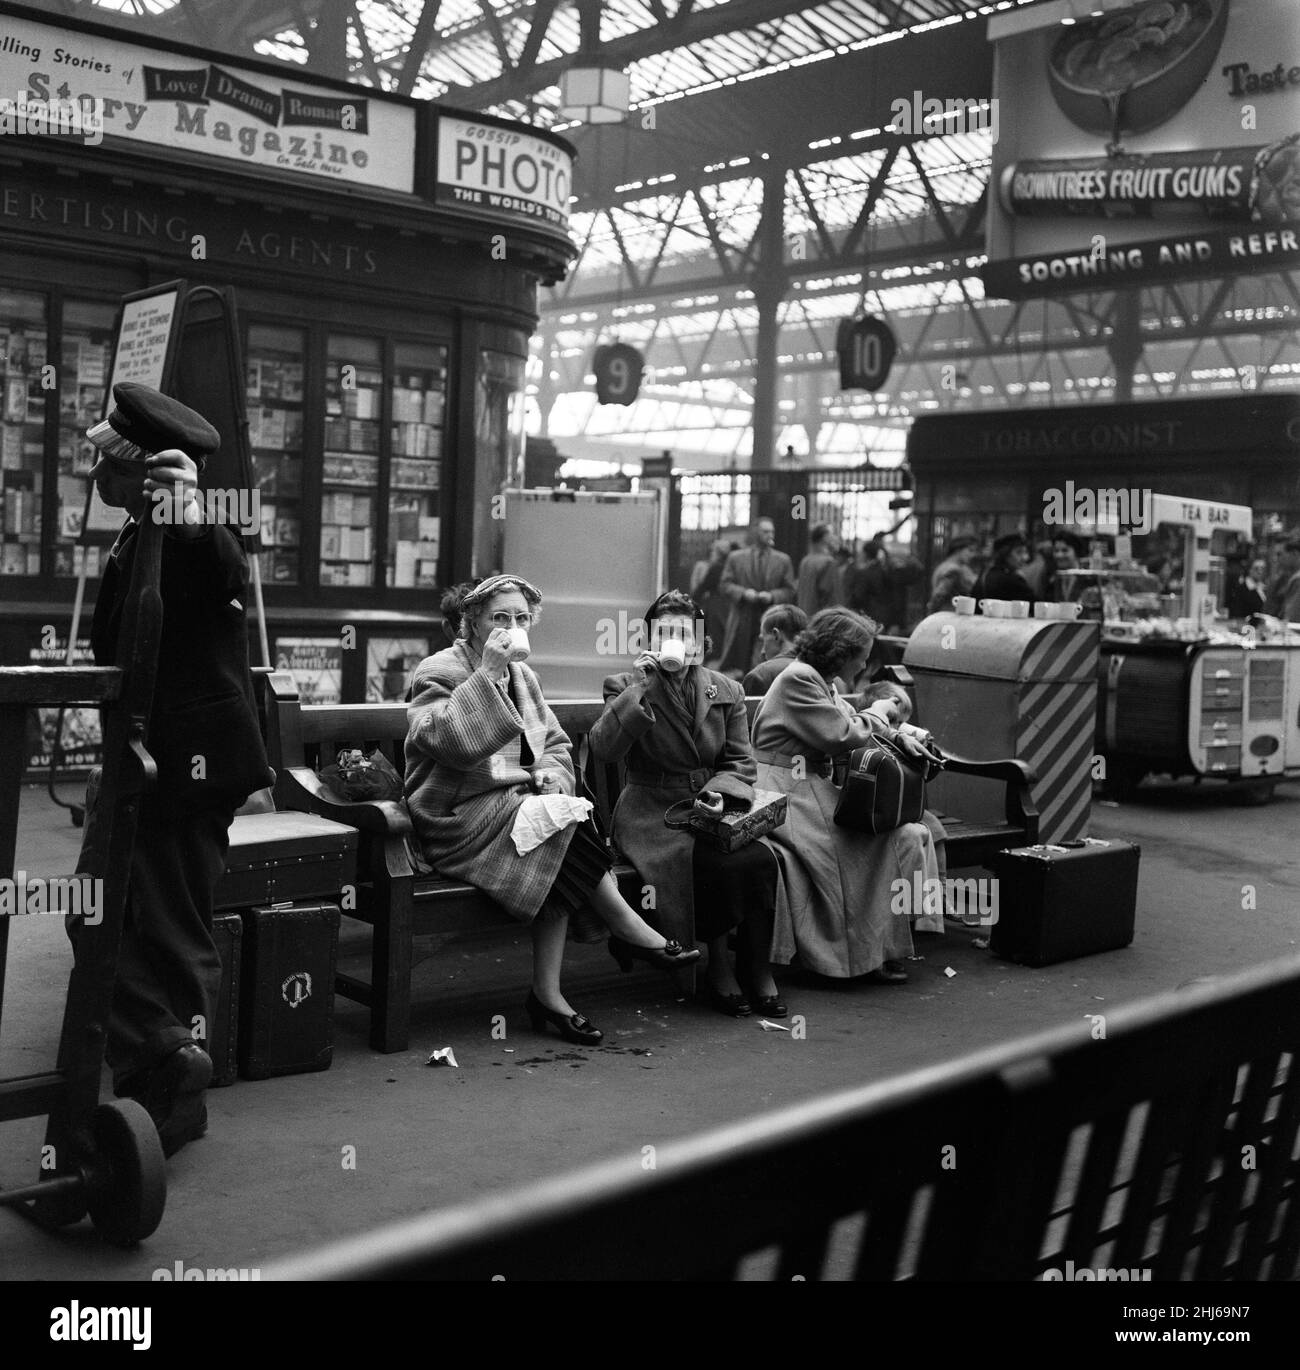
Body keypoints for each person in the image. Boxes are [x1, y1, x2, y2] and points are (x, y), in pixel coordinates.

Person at [70, 383, 274, 1157]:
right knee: (102, 911)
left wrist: (191, 516)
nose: (93, 470)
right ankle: (163, 1058)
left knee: (174, 927)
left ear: (141, 470)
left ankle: (174, 1087)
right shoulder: (132, 530)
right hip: (145, 761)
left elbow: (220, 571)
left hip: (186, 769)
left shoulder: (186, 530)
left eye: (104, 460)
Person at [405, 575, 700, 1047]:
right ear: (473, 624)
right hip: (459, 819)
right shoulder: (439, 671)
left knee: (558, 822)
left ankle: (549, 994)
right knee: (562, 824)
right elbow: (444, 741)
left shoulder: (526, 678)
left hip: (518, 811)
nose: (512, 626)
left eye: (522, 618)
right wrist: (485, 677)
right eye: (500, 618)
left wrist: (550, 774)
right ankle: (626, 927)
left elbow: (558, 746)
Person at [590, 591, 787, 1018]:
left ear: (698, 642)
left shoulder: (726, 689)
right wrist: (642, 688)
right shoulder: (625, 687)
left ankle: (757, 968)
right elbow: (604, 750)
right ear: (648, 639)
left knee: (760, 860)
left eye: (683, 632)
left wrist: (720, 792)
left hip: (709, 808)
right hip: (651, 814)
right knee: (714, 863)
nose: (673, 640)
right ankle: (718, 966)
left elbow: (739, 761)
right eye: (664, 632)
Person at [750, 608, 940, 981]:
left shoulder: (821, 680)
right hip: (785, 792)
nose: (866, 663)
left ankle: (869, 952)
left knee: (893, 837)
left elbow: (851, 722)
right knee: (868, 845)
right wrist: (882, 710)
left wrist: (900, 736)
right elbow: (843, 735)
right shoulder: (799, 679)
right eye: (862, 654)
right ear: (840, 652)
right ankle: (849, 958)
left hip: (807, 787)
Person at [717, 517, 797, 676]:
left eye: (772, 531)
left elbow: (790, 590)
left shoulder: (783, 560)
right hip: (743, 616)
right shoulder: (736, 557)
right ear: (755, 533)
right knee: (741, 659)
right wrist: (743, 593)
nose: (770, 534)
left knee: (766, 657)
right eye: (765, 531)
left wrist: (772, 596)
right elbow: (725, 585)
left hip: (771, 617)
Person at [743, 604, 807, 696]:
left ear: (776, 635)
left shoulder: (760, 676)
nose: (763, 652)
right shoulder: (824, 672)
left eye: (763, 640)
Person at [689, 537, 734, 663]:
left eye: (713, 551)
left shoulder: (716, 567)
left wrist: (691, 600)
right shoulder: (731, 566)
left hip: (715, 606)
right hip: (728, 606)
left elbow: (703, 586)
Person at [973, 532, 1037, 605]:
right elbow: (1036, 606)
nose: (1025, 558)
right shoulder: (1012, 580)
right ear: (1004, 554)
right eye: (1019, 552)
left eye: (1025, 552)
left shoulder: (986, 573)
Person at [796, 523, 841, 617]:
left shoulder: (806, 560)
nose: (834, 537)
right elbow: (831, 596)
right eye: (831, 534)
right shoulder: (828, 562)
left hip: (804, 614)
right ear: (825, 537)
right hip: (820, 618)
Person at [927, 536, 979, 613]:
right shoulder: (952, 570)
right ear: (958, 550)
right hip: (950, 615)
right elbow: (939, 595)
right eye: (970, 550)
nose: (973, 555)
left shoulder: (951, 566)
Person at [1266, 541, 1300, 622]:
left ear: (1294, 554)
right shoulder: (1283, 579)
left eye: (1279, 554)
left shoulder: (1297, 580)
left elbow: (1290, 617)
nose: (1276, 559)